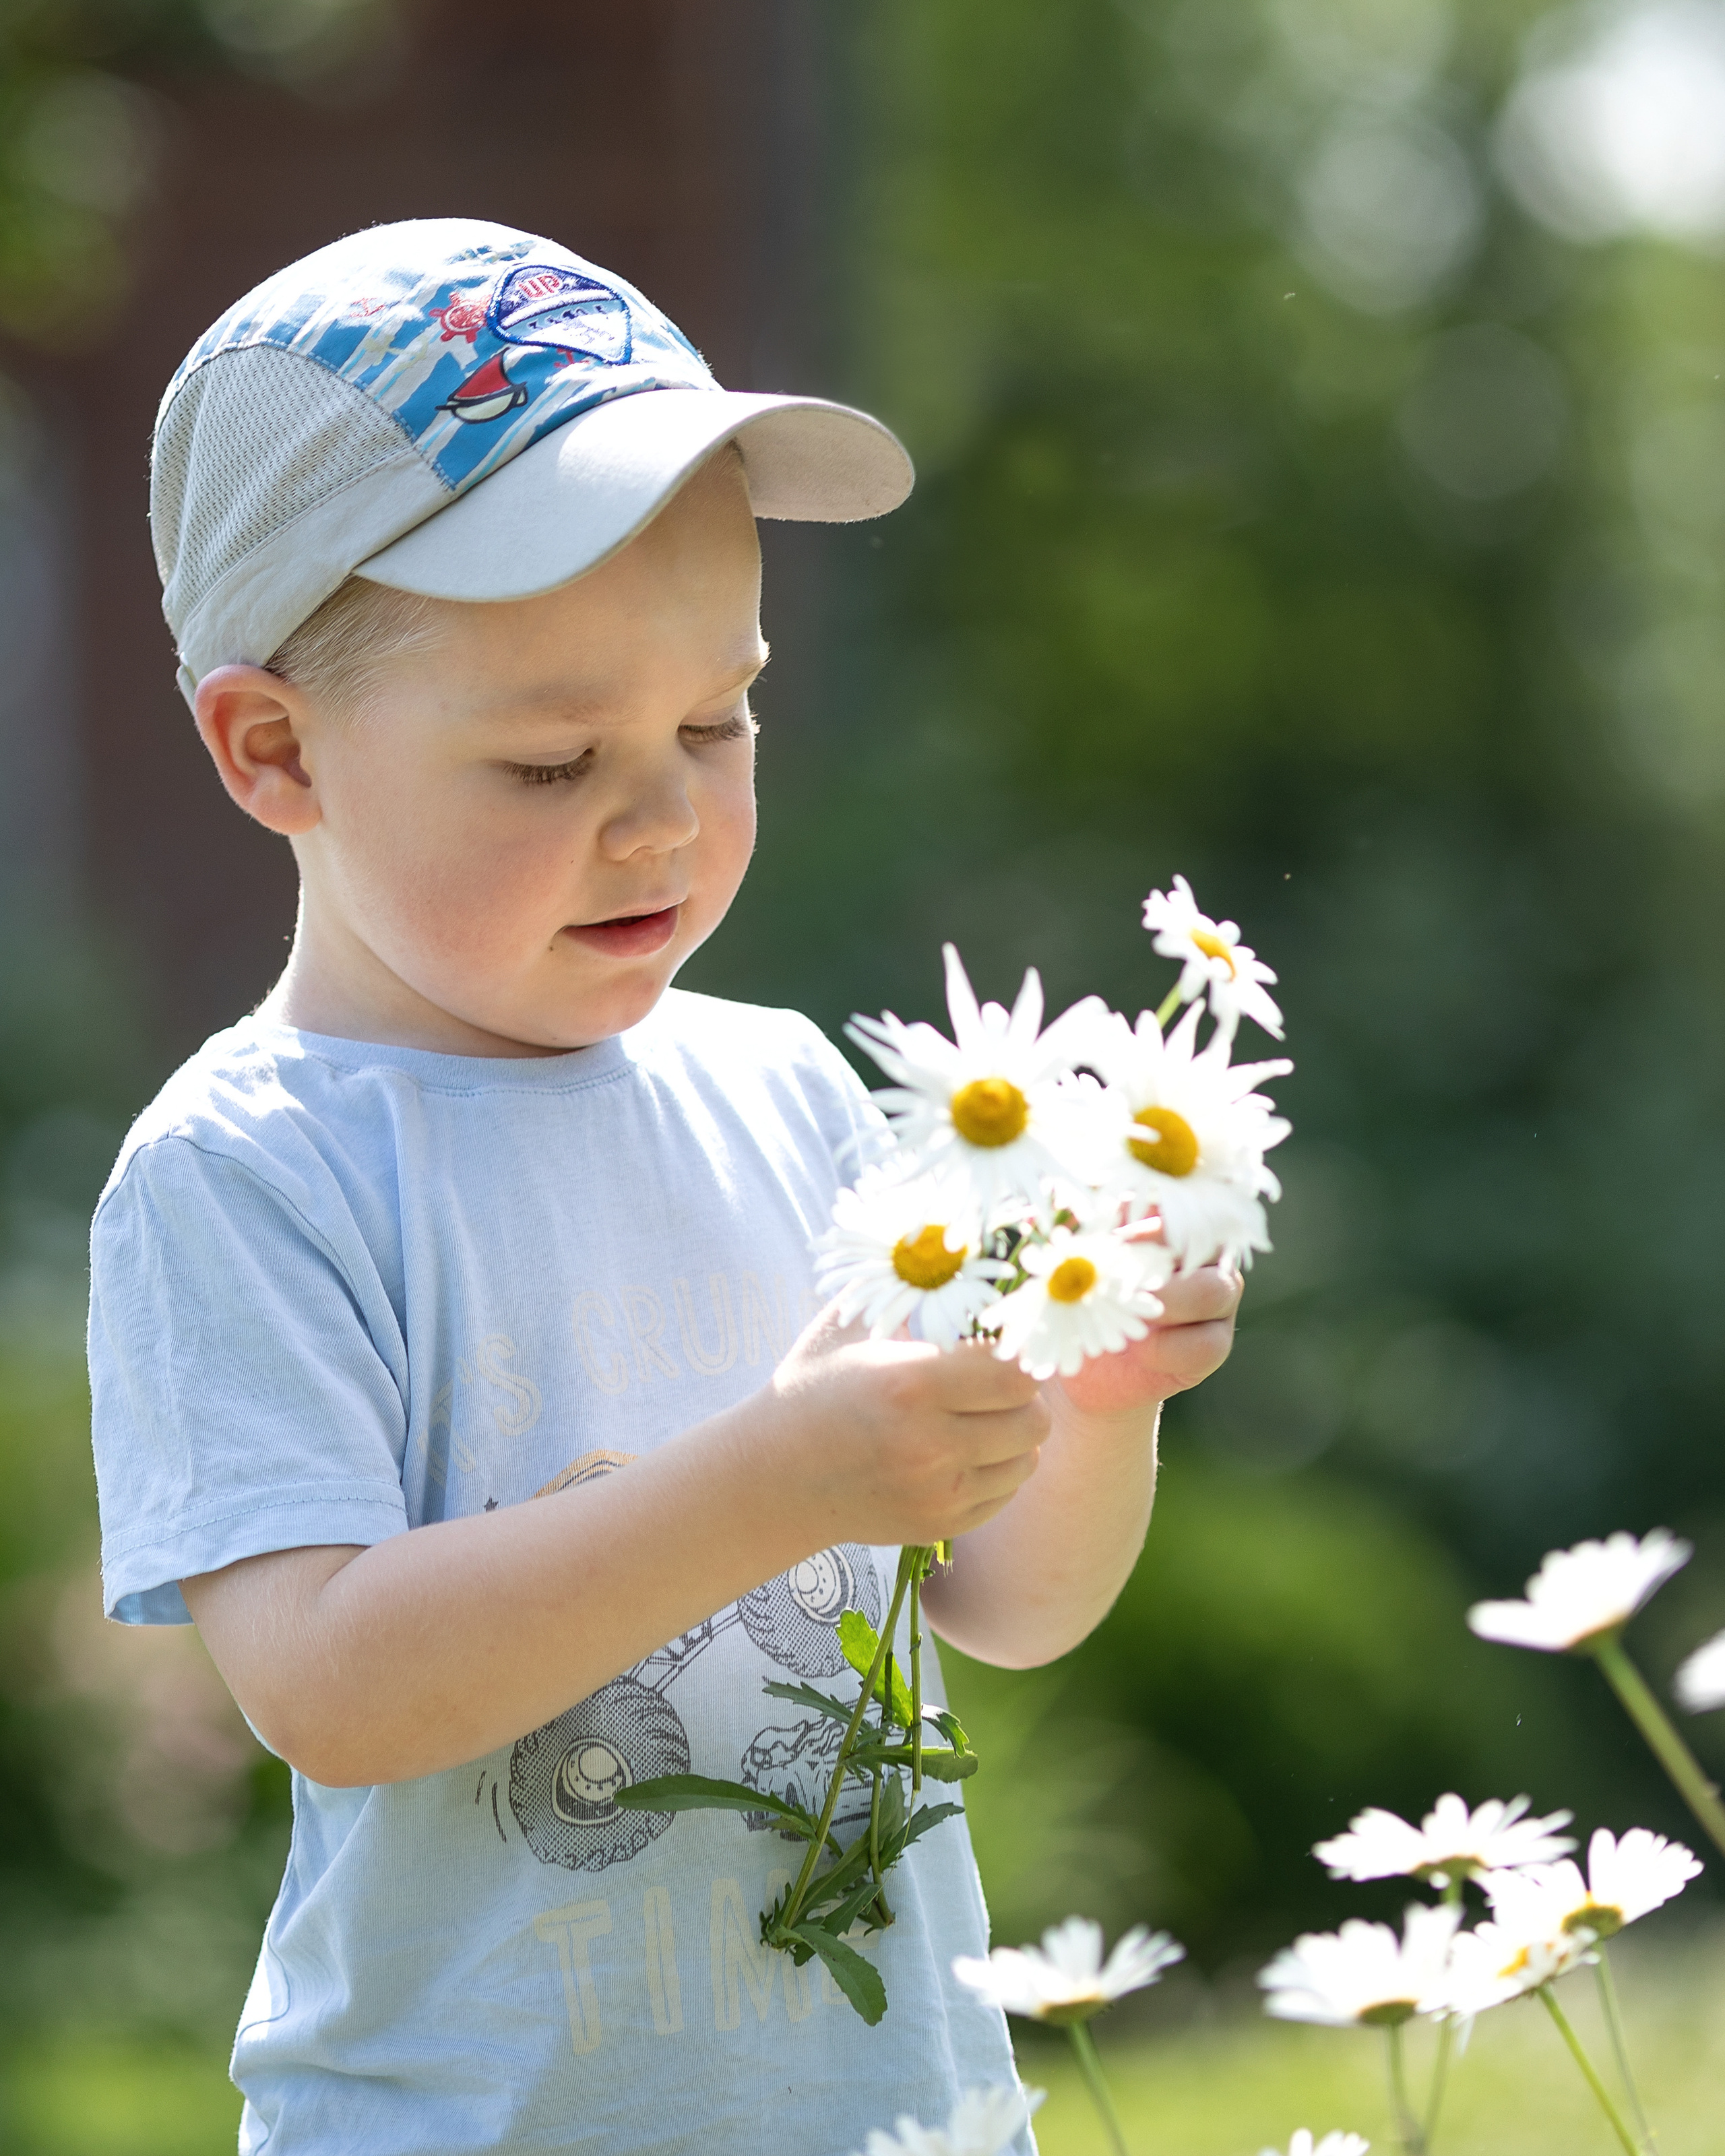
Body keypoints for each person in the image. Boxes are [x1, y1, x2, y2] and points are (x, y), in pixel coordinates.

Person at [88, 218, 1242, 2155]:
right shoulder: (250, 1167)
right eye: (553, 760)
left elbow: (1005, 1603)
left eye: (721, 719)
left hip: (896, 2115)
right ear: (274, 749)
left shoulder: (790, 1089)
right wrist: (776, 1478)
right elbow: (331, 1689)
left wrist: (1091, 1397)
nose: (669, 814)